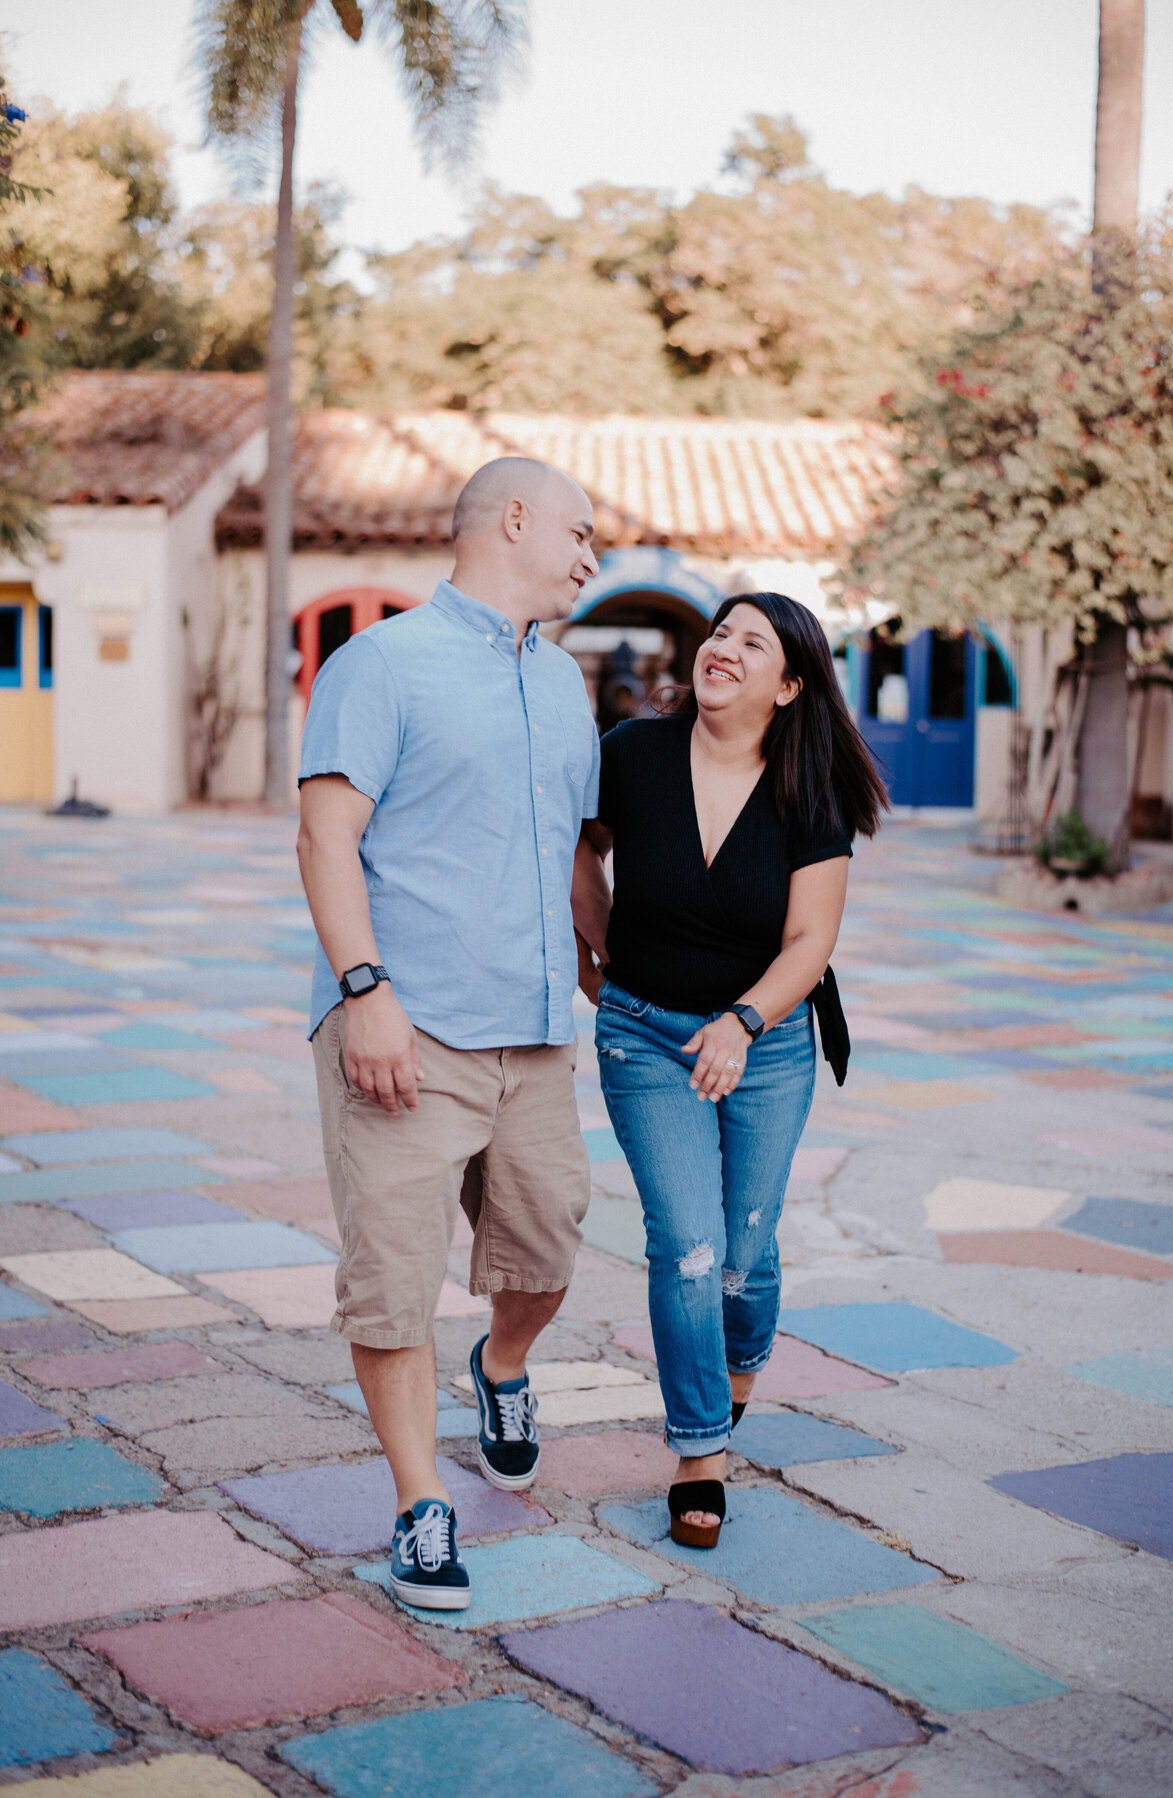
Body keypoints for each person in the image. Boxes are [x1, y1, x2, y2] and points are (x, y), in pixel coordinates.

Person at [297, 457, 601, 1610]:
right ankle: (420, 1503)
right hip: (405, 1034)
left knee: (552, 1242)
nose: (589, 554)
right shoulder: (380, 663)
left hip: (534, 1037)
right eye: (579, 531)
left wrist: (601, 953)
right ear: (512, 519)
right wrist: (364, 987)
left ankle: (504, 1365)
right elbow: (327, 837)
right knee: (394, 1279)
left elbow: (576, 846)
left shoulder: (567, 683)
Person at [574, 593, 887, 1547]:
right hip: (645, 1035)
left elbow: (811, 939)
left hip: (769, 1041)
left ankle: (740, 1359)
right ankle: (701, 1449)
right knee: (687, 1245)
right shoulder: (633, 752)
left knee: (744, 1256)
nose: (724, 648)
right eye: (720, 632)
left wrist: (744, 1022)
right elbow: (584, 850)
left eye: (753, 642)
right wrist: (592, 950)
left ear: (789, 685)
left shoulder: (810, 789)